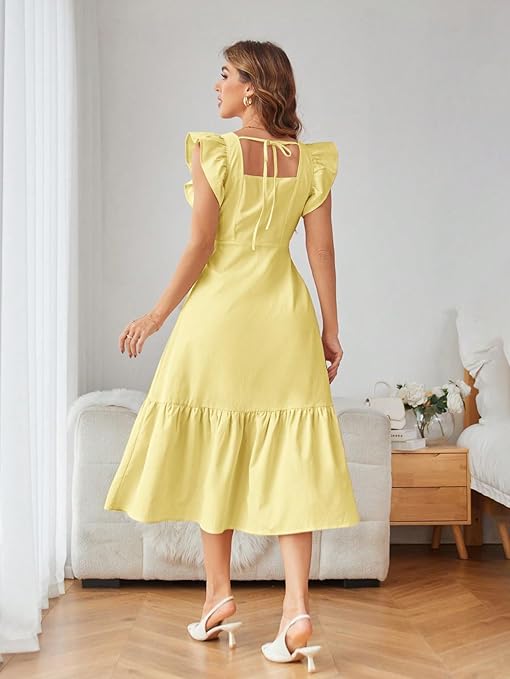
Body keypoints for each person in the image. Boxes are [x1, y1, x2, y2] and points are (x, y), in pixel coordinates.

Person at [103, 39, 360, 671]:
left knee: (213, 444)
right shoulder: (310, 161)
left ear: (251, 88)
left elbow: (200, 244)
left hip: (218, 318)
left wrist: (155, 316)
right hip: (284, 318)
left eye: (224, 75)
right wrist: (331, 329)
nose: (215, 86)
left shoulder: (212, 151)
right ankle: (295, 609)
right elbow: (321, 252)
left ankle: (219, 593)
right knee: (291, 456)